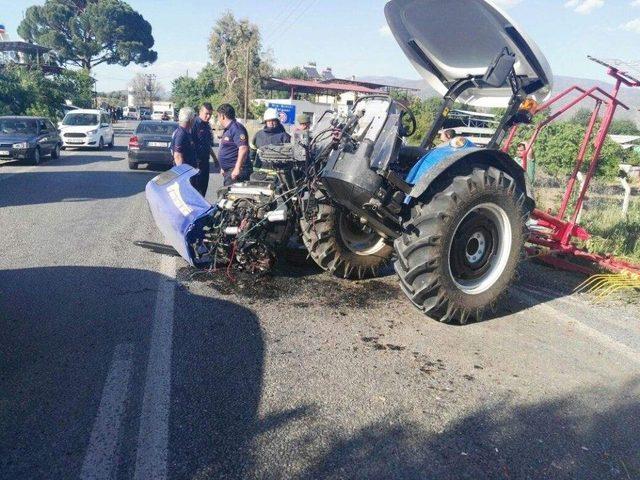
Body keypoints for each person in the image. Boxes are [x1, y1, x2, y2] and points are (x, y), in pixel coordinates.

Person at [216, 103, 251, 186]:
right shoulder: (228, 129)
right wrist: (223, 167)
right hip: (229, 170)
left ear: (222, 116)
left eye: (218, 116)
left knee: (233, 198)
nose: (218, 119)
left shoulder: (236, 128)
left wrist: (237, 168)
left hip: (236, 171)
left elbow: (243, 148)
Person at [191, 102, 217, 197]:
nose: (208, 116)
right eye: (206, 113)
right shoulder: (194, 124)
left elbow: (207, 144)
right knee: (196, 191)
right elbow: (190, 144)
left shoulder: (207, 125)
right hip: (196, 163)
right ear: (200, 112)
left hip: (205, 162)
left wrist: (215, 159)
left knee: (203, 188)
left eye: (210, 114)